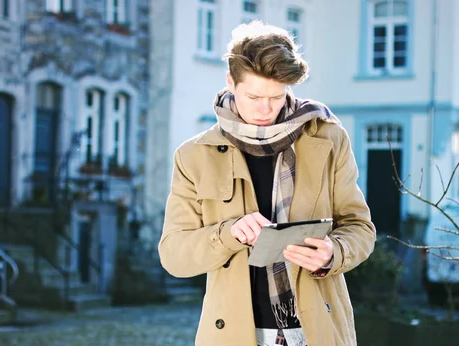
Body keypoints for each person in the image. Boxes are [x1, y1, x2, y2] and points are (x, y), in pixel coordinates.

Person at [158, 20, 376, 346]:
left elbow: (360, 228)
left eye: (276, 97)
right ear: (230, 82)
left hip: (316, 331)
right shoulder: (193, 155)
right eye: (254, 96)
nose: (265, 109)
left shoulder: (328, 138)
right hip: (234, 334)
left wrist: (335, 251)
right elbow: (174, 255)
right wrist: (228, 234)